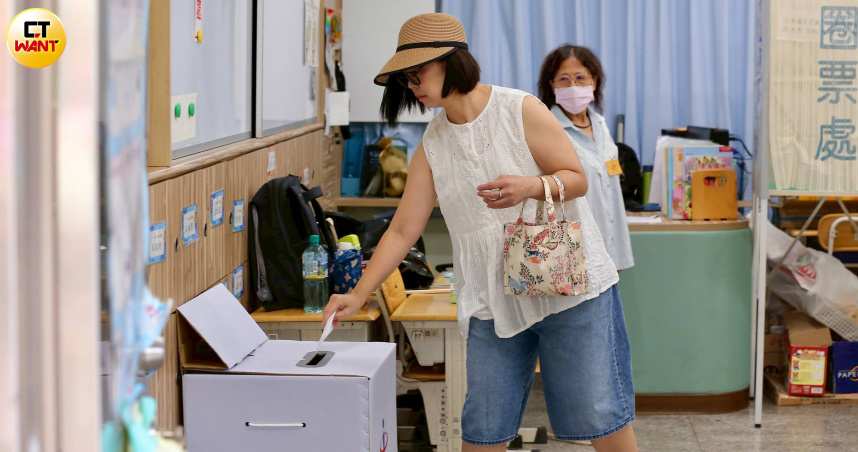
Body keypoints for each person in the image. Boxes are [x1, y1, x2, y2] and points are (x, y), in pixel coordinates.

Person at [322, 13, 638, 452]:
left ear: (452, 61)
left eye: (418, 73)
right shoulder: (432, 144)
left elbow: (577, 178)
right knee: (483, 427)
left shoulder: (518, 108)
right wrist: (357, 293)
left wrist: (531, 186)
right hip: (493, 299)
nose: (412, 85)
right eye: (406, 78)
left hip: (569, 286)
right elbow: (401, 230)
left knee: (602, 418)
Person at [538, 45, 634, 273]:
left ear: (595, 81)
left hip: (609, 249)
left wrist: (615, 253)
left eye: (580, 77)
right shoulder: (548, 127)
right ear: (552, 85)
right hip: (571, 254)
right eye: (564, 79)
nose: (573, 85)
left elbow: (611, 186)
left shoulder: (600, 123)